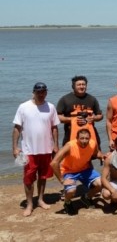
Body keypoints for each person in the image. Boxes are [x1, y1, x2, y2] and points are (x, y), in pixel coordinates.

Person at [12, 82, 60, 216]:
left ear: (46, 92)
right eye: (38, 92)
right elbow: (17, 128)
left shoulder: (50, 107)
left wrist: (55, 145)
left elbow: (54, 127)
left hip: (46, 149)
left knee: (43, 177)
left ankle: (40, 199)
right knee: (28, 178)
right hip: (29, 151)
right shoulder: (23, 107)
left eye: (43, 91)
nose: (41, 94)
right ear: (33, 92)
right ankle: (29, 204)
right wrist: (15, 147)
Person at [50, 129, 104, 216]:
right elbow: (54, 163)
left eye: (87, 138)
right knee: (71, 190)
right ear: (76, 138)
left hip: (85, 169)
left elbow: (96, 153)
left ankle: (86, 197)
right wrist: (62, 180)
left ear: (90, 138)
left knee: (102, 183)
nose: (84, 141)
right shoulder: (70, 146)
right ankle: (67, 202)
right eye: (81, 138)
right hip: (69, 171)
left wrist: (102, 156)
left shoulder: (92, 143)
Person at [57, 75, 103, 147]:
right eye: (79, 85)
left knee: (91, 155)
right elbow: (57, 117)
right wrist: (72, 120)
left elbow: (100, 115)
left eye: (83, 84)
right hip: (70, 135)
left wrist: (93, 118)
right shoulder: (65, 99)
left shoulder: (92, 99)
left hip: (89, 135)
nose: (81, 87)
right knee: (71, 156)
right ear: (73, 86)